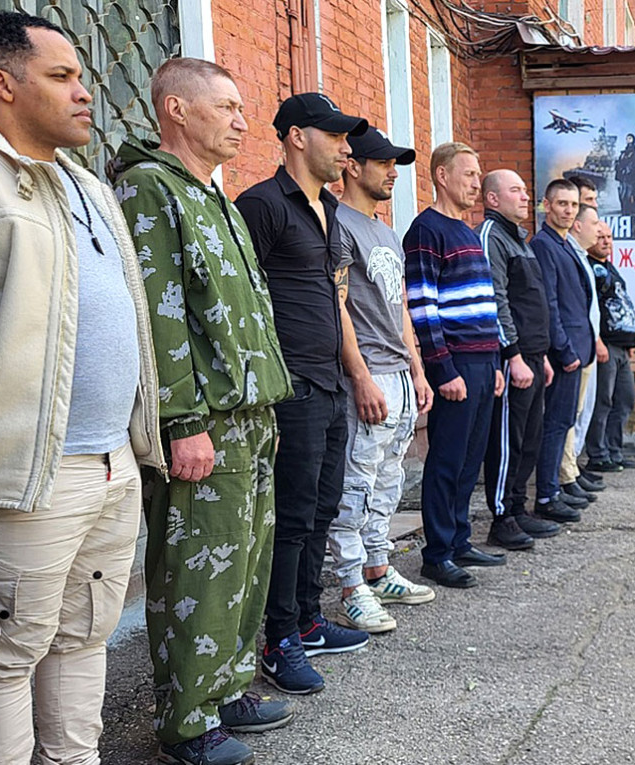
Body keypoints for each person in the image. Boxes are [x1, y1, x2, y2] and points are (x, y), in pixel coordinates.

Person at [0, 12, 165, 762]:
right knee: (4, 654)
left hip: (112, 462)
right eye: (62, 76)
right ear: (2, 84)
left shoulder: (87, 184)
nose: (85, 92)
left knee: (82, 636)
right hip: (24, 475)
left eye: (81, 75)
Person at [111, 57, 295, 764]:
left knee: (245, 563)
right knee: (198, 570)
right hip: (204, 421)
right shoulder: (150, 188)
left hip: (250, 414)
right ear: (177, 110)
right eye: (227, 107)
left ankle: (226, 688)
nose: (244, 121)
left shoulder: (213, 195)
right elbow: (158, 317)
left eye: (243, 108)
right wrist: (181, 420)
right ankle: (187, 720)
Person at [234, 92, 372, 695]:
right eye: (335, 136)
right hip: (290, 386)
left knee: (322, 508)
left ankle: (309, 619)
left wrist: (356, 373)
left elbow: (336, 297)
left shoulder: (330, 208)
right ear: (296, 137)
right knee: (289, 518)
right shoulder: (262, 205)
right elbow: (244, 299)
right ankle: (279, 639)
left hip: (331, 381)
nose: (346, 149)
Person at [326, 127, 438, 634]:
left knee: (389, 480)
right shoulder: (338, 224)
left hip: (398, 374)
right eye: (384, 163)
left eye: (396, 165)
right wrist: (360, 375)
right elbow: (338, 306)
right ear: (353, 167)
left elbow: (401, 309)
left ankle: (378, 566)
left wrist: (417, 369)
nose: (393, 173)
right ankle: (351, 587)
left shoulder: (387, 232)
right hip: (367, 374)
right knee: (356, 483)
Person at [403, 142, 506, 589]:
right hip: (456, 361)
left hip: (483, 360)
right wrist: (443, 369)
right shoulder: (426, 230)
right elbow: (422, 305)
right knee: (446, 458)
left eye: (479, 175)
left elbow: (485, 304)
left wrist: (496, 362)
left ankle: (460, 539)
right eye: (469, 174)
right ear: (442, 176)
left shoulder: (467, 231)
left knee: (470, 457)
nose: (476, 184)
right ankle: (438, 553)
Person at [478, 169, 565, 550]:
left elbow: (532, 303)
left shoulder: (520, 239)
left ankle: (518, 506)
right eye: (516, 190)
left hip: (533, 356)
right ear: (493, 199)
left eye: (526, 191)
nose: (526, 197)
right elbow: (495, 299)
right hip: (512, 359)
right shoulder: (491, 236)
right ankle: (501, 518)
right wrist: (512, 355)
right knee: (507, 441)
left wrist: (540, 356)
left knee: (530, 438)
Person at [531, 180, 595, 522]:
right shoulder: (544, 245)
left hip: (578, 350)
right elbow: (549, 304)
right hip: (563, 354)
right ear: (547, 205)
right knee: (555, 425)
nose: (569, 210)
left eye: (573, 205)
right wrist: (565, 351)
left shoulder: (565, 243)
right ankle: (547, 495)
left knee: (565, 422)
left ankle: (555, 489)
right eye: (562, 204)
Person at [557, 203, 608, 505]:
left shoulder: (581, 256)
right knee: (568, 416)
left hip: (585, 347)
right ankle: (566, 475)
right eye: (595, 222)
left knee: (578, 413)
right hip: (573, 349)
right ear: (578, 225)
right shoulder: (568, 254)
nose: (600, 230)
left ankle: (572, 469)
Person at [584, 221, 635, 471]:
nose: (606, 241)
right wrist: (597, 341)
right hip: (605, 346)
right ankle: (598, 455)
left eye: (609, 237)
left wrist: (630, 341)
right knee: (602, 401)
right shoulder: (589, 268)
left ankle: (614, 452)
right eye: (600, 237)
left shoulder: (609, 267)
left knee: (625, 399)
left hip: (621, 347)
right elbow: (588, 309)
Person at [615, 133, 635, 216]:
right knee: (623, 195)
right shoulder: (624, 152)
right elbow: (620, 163)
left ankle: (632, 211)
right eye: (627, 138)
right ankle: (625, 211)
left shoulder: (634, 152)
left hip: (631, 177)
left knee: (630, 194)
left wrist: (627, 170)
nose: (628, 140)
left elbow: (634, 163)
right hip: (623, 178)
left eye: (630, 138)